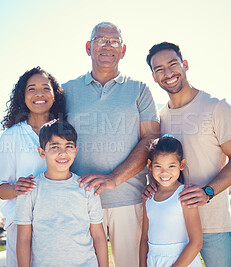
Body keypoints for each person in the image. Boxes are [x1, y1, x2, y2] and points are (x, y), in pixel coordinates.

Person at [62, 22, 160, 267]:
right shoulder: (66, 91)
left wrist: (115, 178)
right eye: (100, 40)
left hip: (128, 200)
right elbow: (52, 141)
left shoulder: (139, 89)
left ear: (123, 50)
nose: (107, 45)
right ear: (88, 47)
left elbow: (151, 139)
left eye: (114, 41)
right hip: (79, 201)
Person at [144, 42, 231, 266]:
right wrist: (152, 184)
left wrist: (207, 191)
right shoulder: (160, 117)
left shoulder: (216, 107)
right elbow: (159, 162)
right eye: (159, 69)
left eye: (173, 64)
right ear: (154, 77)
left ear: (185, 65)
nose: (168, 73)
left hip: (213, 223)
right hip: (173, 230)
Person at [0, 66, 65, 267]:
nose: (39, 94)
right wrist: (15, 189)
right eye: (32, 89)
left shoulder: (66, 131)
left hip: (61, 224)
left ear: (55, 95)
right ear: (23, 96)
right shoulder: (11, 136)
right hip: (21, 226)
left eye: (46, 88)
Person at [14, 120, 108, 267]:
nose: (63, 152)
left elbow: (98, 236)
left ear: (76, 151)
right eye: (55, 146)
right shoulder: (30, 189)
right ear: (42, 152)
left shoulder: (87, 188)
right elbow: (23, 239)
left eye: (68, 146)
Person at [139, 135, 202, 267]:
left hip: (181, 262)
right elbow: (144, 239)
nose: (164, 172)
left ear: (182, 165)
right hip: (154, 261)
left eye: (171, 166)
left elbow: (196, 243)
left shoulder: (185, 195)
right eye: (158, 166)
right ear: (150, 166)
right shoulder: (149, 197)